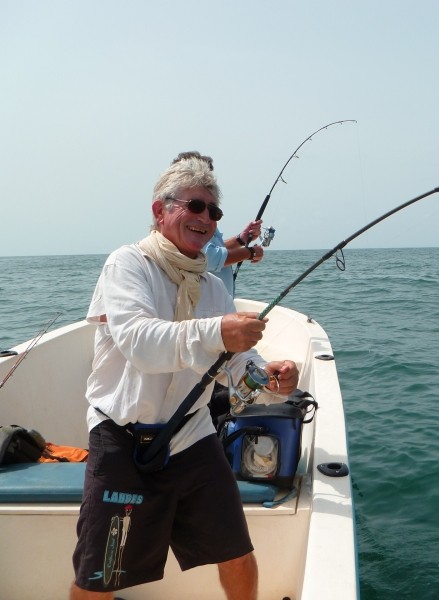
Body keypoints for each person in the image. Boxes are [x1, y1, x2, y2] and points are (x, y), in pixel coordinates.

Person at [70, 154, 299, 600]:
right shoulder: (127, 265)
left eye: (214, 212)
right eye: (195, 206)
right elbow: (141, 343)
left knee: (237, 552)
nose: (206, 219)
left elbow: (234, 362)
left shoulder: (212, 286)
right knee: (99, 577)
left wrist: (267, 376)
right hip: (121, 438)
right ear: (160, 210)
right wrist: (219, 331)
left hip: (191, 436)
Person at [170, 152, 265, 297]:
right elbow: (210, 257)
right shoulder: (186, 223)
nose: (208, 184)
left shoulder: (204, 218)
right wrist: (250, 253)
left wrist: (241, 239)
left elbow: (210, 248)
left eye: (208, 179)